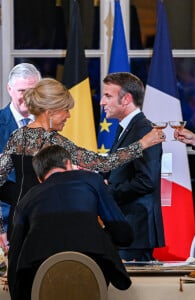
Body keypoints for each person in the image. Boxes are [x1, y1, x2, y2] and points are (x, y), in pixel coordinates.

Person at [0, 77, 165, 251]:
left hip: (18, 220)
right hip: (46, 222)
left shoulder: (17, 137)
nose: (68, 116)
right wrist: (142, 144)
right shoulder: (54, 142)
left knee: (21, 274)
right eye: (65, 110)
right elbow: (103, 164)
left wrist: (4, 220)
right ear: (50, 112)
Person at [8, 145, 134, 300]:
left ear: (40, 179)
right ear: (69, 164)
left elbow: (15, 253)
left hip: (39, 278)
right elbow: (122, 233)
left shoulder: (27, 199)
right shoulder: (92, 180)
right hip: (93, 271)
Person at [100, 72, 165, 261]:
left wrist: (109, 191)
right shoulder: (126, 128)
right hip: (125, 227)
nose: (102, 102)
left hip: (135, 230)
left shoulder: (143, 130)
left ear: (126, 99)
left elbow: (147, 181)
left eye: (108, 96)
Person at [0, 63, 41, 250]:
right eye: (21, 90)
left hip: (40, 223)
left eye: (32, 91)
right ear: (10, 89)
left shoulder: (48, 126)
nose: (27, 97)